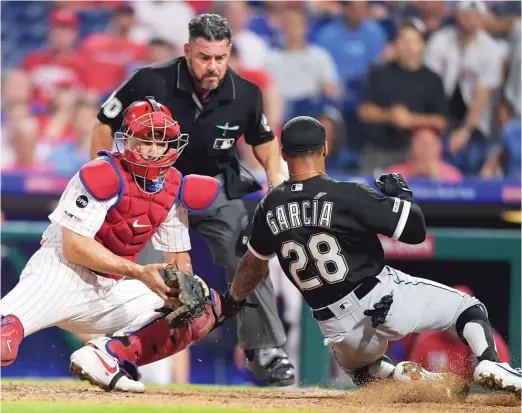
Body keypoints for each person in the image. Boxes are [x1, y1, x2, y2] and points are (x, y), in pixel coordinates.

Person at [221, 116, 521, 396]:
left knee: (364, 371)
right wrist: (403, 194)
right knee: (468, 309)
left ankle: (408, 380)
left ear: (284, 154)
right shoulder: (347, 193)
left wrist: (231, 301)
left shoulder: (270, 206)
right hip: (381, 298)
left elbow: (252, 265)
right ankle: (490, 362)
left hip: (334, 326)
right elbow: (415, 231)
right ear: (325, 149)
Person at [88, 13, 295, 386]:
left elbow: (263, 139)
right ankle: (111, 348)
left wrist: (276, 177)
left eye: (219, 57)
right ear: (187, 51)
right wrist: (103, 182)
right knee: (133, 267)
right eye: (204, 57)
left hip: (213, 190)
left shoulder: (246, 93)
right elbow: (105, 123)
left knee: (250, 252)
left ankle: (264, 350)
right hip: (151, 186)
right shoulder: (151, 79)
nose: (212, 66)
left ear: (229, 52)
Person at [0, 97, 223, 392]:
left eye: (162, 141)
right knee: (4, 344)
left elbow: (178, 258)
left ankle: (106, 356)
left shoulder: (173, 186)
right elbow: (74, 247)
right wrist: (138, 272)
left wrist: (184, 287)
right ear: (128, 140)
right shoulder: (102, 173)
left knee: (201, 307)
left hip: (111, 290)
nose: (154, 150)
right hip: (60, 275)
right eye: (146, 139)